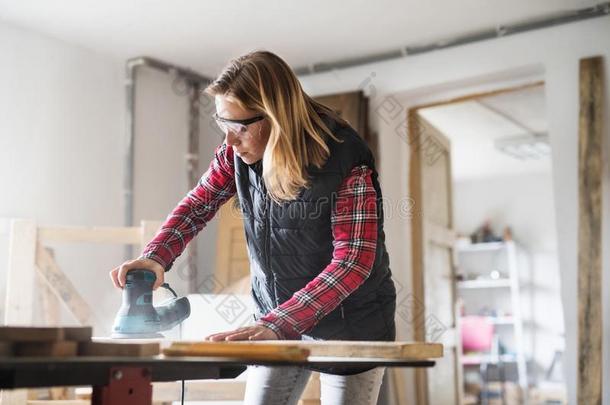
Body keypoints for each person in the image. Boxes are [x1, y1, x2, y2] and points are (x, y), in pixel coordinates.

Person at [109, 50, 396, 405]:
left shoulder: (346, 160)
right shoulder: (237, 152)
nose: (228, 140)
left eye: (239, 127)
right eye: (223, 124)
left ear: (276, 119)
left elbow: (353, 261)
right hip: (276, 314)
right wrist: (156, 256)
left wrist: (279, 323)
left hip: (352, 321)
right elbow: (200, 202)